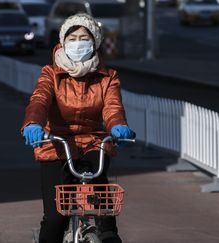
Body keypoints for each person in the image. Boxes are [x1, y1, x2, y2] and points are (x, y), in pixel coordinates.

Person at [21, 14, 136, 243]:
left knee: (103, 211)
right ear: (63, 41)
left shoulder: (108, 77)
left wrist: (119, 126)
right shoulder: (50, 74)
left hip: (93, 142)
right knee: (56, 217)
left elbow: (113, 108)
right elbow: (39, 100)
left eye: (84, 37)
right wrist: (33, 123)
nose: (78, 42)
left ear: (95, 43)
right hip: (55, 144)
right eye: (72, 37)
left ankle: (106, 235)